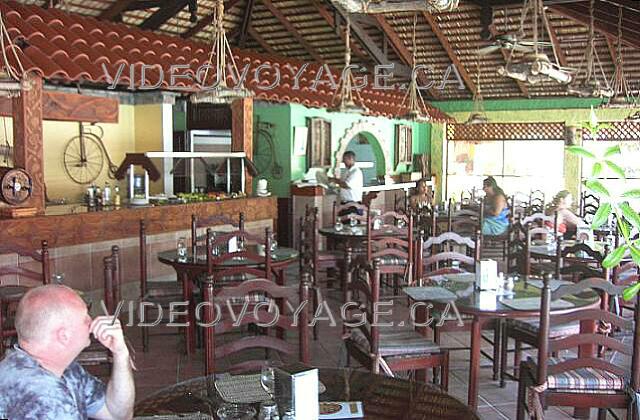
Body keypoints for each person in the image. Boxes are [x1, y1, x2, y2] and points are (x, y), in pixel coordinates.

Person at [0, 284, 135, 419]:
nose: (92, 321)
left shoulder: (60, 368)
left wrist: (120, 354)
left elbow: (116, 415)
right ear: (64, 336)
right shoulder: (45, 396)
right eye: (85, 317)